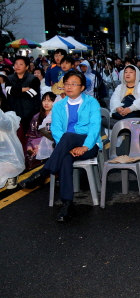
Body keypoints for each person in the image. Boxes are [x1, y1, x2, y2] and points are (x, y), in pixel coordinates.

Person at [20, 71, 102, 222]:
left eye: (73, 84)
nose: (69, 86)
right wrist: (66, 147)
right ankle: (67, 204)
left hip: (89, 144)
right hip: (66, 146)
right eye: (67, 83)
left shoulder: (91, 102)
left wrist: (85, 146)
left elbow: (95, 128)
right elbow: (56, 130)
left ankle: (43, 173)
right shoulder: (58, 106)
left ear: (82, 87)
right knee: (65, 156)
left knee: (69, 136)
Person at [6, 56, 41, 153]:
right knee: (15, 139)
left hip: (30, 113)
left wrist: (15, 91)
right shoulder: (9, 78)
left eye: (21, 64)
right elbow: (8, 91)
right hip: (14, 113)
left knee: (29, 138)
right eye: (16, 64)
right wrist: (24, 89)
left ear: (26, 67)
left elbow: (32, 94)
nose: (17, 66)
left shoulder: (33, 79)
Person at [25, 92, 56, 170]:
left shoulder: (58, 116)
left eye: (49, 101)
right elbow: (31, 135)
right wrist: (29, 147)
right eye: (44, 100)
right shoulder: (36, 117)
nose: (46, 103)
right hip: (37, 145)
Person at [0, 97, 25, 190]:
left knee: (8, 168)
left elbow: (5, 125)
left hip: (10, 156)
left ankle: (12, 175)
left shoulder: (10, 116)